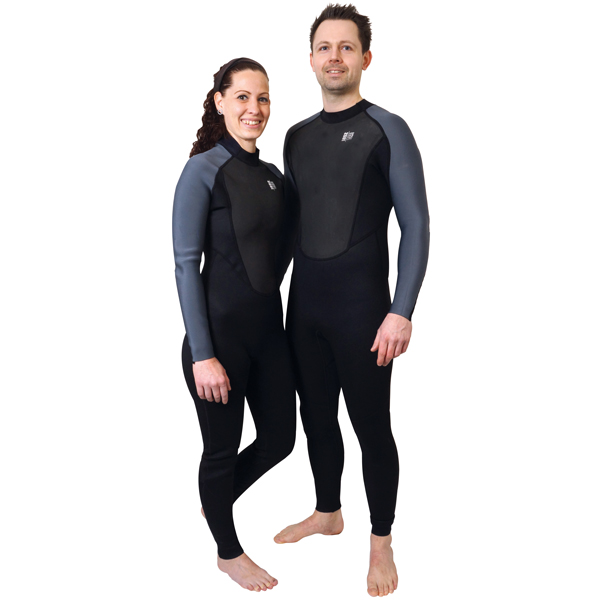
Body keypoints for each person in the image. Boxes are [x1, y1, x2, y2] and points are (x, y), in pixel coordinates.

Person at [273, 5, 430, 597]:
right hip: (304, 308)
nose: (334, 56)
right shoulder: (295, 136)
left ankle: (381, 541)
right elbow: (291, 230)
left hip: (364, 311)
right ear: (310, 60)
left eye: (346, 47)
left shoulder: (388, 128)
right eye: (324, 47)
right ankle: (328, 512)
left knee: (371, 427)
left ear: (365, 58)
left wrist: (401, 309)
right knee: (315, 418)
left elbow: (416, 225)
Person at [172, 57, 296, 592]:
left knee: (280, 439)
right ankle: (228, 552)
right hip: (218, 340)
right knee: (221, 450)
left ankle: (215, 500)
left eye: (262, 97)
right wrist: (204, 354)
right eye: (242, 96)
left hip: (269, 336)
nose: (254, 108)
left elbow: (282, 256)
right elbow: (185, 265)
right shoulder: (202, 169)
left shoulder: (273, 178)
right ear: (220, 101)